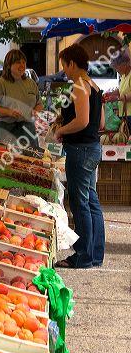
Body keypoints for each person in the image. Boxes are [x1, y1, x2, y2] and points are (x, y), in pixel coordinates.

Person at [54, 44, 105, 269]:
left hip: (81, 150)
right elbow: (100, 123)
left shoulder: (79, 86)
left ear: (72, 64)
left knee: (80, 202)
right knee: (91, 200)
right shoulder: (94, 85)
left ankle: (83, 255)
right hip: (93, 148)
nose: (64, 70)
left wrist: (61, 130)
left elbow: (82, 121)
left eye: (65, 65)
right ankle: (95, 253)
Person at [0, 49, 43, 148]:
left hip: (28, 130)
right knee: (2, 159)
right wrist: (9, 112)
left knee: (30, 160)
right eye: (18, 62)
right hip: (4, 129)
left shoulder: (31, 83)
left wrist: (35, 112)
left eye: (24, 62)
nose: (22, 65)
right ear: (9, 65)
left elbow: (39, 104)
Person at [109, 48, 131, 132]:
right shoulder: (123, 76)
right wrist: (111, 94)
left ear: (124, 64)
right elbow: (121, 90)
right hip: (124, 114)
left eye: (116, 67)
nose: (116, 70)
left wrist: (117, 98)